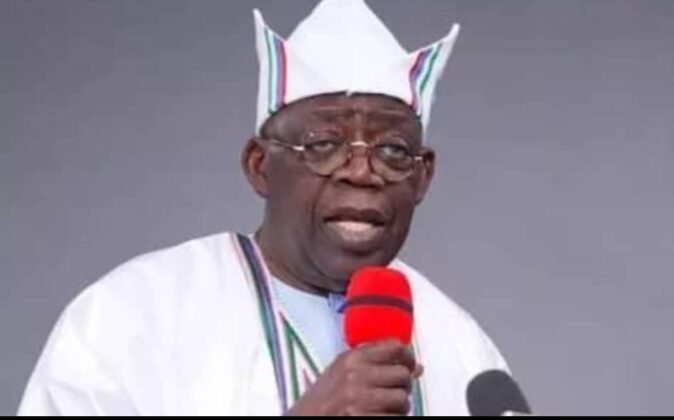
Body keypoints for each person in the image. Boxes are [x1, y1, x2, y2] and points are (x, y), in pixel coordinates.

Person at [19, 0, 510, 416]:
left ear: (423, 177)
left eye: (393, 151)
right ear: (259, 166)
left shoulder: (461, 348)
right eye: (323, 144)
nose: (362, 173)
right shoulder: (133, 316)